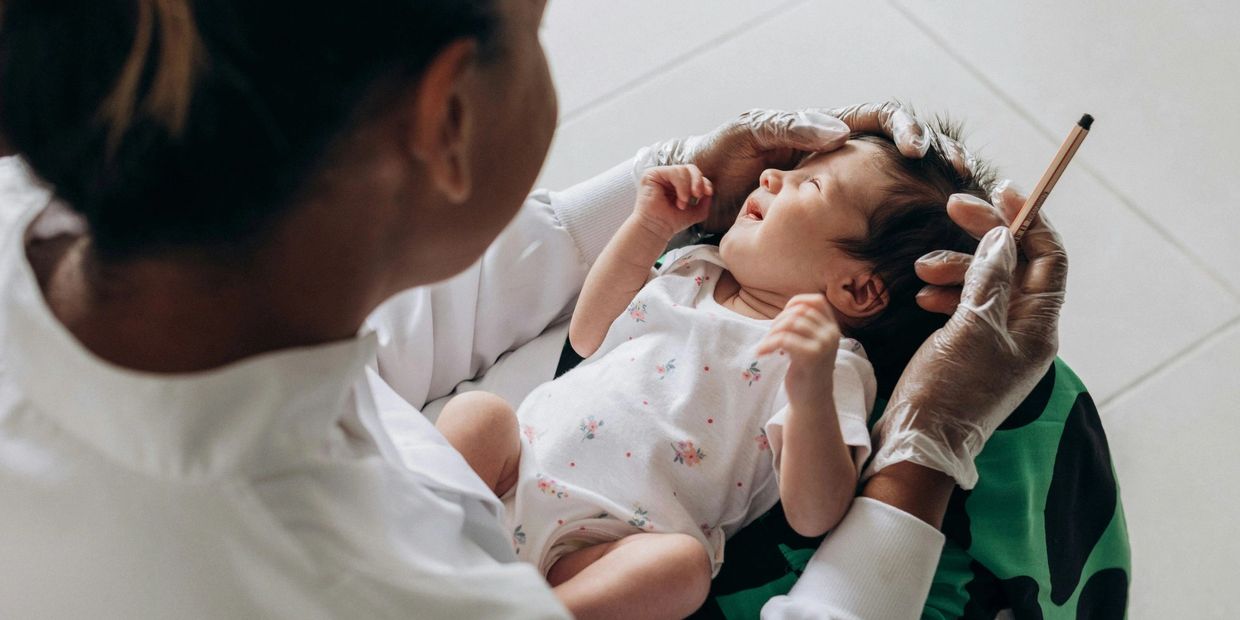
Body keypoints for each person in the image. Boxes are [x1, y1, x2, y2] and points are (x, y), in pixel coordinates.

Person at [0, 1, 1067, 618]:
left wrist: (667, 192)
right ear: (446, 114)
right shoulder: (369, 587)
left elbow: (390, 323)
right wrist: (928, 443)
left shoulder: (46, 222)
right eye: (536, 30)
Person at [432, 129, 997, 618]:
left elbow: (815, 515)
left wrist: (808, 391)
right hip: (516, 468)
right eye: (793, 169)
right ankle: (415, 529)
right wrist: (647, 226)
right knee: (478, 415)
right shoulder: (694, 270)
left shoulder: (830, 365)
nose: (773, 174)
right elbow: (589, 336)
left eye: (811, 185)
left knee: (682, 569)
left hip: (607, 544)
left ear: (855, 287)